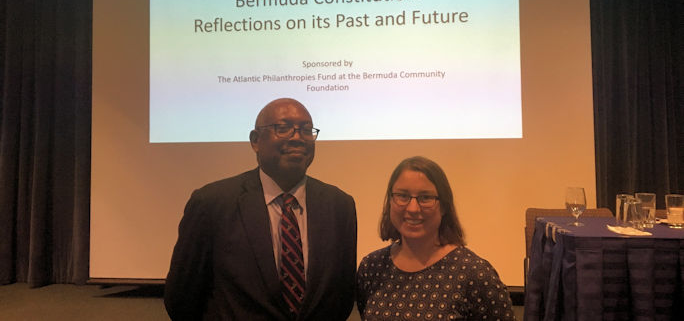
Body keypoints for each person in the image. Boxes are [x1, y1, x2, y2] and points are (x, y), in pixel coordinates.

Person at [165, 98, 357, 320]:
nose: (297, 138)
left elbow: (341, 297)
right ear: (255, 140)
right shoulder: (212, 203)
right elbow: (181, 298)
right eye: (283, 129)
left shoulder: (339, 206)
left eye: (305, 130)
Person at [356, 156, 515, 320]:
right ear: (390, 201)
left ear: (445, 206)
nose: (412, 208)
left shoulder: (475, 274)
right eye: (403, 196)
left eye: (425, 198)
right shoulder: (371, 268)